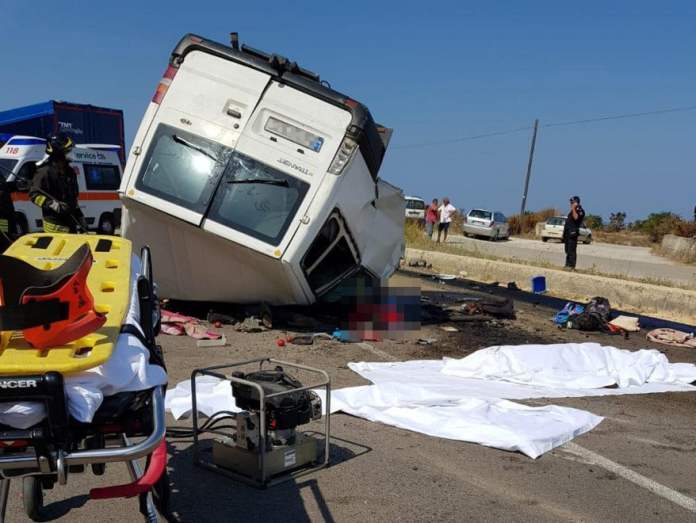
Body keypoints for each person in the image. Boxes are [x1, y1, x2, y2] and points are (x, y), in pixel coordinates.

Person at [30, 133, 87, 233]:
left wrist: (80, 217)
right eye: (67, 151)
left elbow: (73, 198)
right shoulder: (44, 172)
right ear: (58, 153)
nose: (69, 154)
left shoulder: (70, 172)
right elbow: (34, 195)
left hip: (70, 223)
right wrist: (52, 204)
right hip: (53, 225)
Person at [563, 195, 586, 270]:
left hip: (573, 233)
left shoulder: (580, 210)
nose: (571, 204)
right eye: (571, 202)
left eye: (572, 202)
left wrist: (573, 208)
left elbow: (576, 218)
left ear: (576, 202)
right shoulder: (573, 210)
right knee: (567, 250)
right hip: (568, 233)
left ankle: (571, 266)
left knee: (571, 250)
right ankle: (567, 265)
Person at [0, 174, 18, 251]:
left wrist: (16, 185)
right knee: (4, 238)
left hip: (7, 213)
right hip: (2, 214)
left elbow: (5, 186)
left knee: (9, 234)